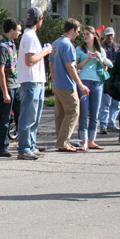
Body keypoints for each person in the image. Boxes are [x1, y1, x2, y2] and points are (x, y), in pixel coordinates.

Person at [17, 7, 53, 160]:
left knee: (35, 116)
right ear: (39, 18)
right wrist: (45, 52)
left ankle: (30, 145)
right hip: (31, 81)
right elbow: (29, 60)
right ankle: (24, 148)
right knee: (28, 116)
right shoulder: (30, 37)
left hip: (35, 80)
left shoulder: (30, 35)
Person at [49, 19, 89, 152]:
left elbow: (51, 64)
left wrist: (54, 80)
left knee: (60, 114)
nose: (78, 34)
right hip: (67, 84)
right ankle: (63, 141)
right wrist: (81, 85)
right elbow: (70, 66)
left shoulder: (56, 43)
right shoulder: (67, 45)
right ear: (72, 30)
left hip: (57, 83)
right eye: (78, 31)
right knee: (73, 111)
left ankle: (61, 140)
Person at [76, 26, 112, 150]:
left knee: (95, 113)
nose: (85, 36)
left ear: (93, 35)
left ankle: (92, 140)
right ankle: (84, 140)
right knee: (84, 113)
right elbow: (76, 66)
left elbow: (105, 68)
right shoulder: (80, 49)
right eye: (84, 34)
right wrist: (87, 58)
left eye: (87, 34)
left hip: (97, 83)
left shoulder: (100, 50)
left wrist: (100, 58)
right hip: (84, 82)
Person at [0, 18, 23, 157]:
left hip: (16, 84)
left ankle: (24, 144)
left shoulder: (11, 44)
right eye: (18, 30)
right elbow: (0, 71)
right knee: (4, 118)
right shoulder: (1, 47)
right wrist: (5, 92)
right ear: (12, 30)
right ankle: (2, 147)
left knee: (20, 116)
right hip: (8, 87)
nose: (20, 32)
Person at [98, 27, 120, 134]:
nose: (110, 37)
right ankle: (103, 124)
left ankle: (112, 123)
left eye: (111, 35)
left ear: (114, 35)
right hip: (105, 76)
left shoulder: (118, 47)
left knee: (116, 102)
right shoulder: (100, 47)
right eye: (108, 35)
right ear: (105, 35)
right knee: (105, 102)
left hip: (116, 76)